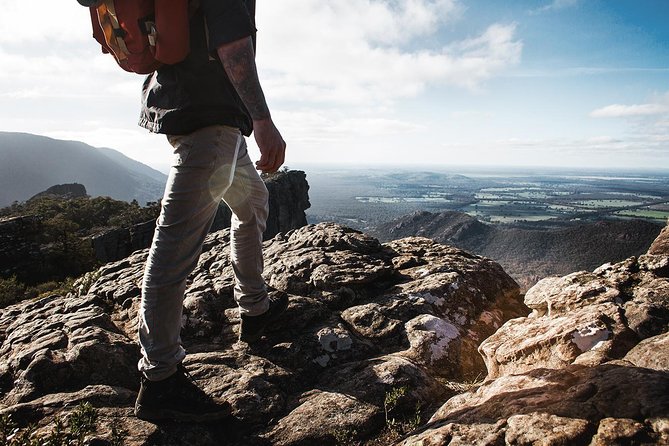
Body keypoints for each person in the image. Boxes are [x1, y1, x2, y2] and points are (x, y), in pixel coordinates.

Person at [132, 0, 288, 422]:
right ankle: (160, 378)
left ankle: (254, 310)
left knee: (253, 201)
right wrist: (264, 120)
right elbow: (233, 47)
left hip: (208, 118)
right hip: (211, 123)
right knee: (174, 248)